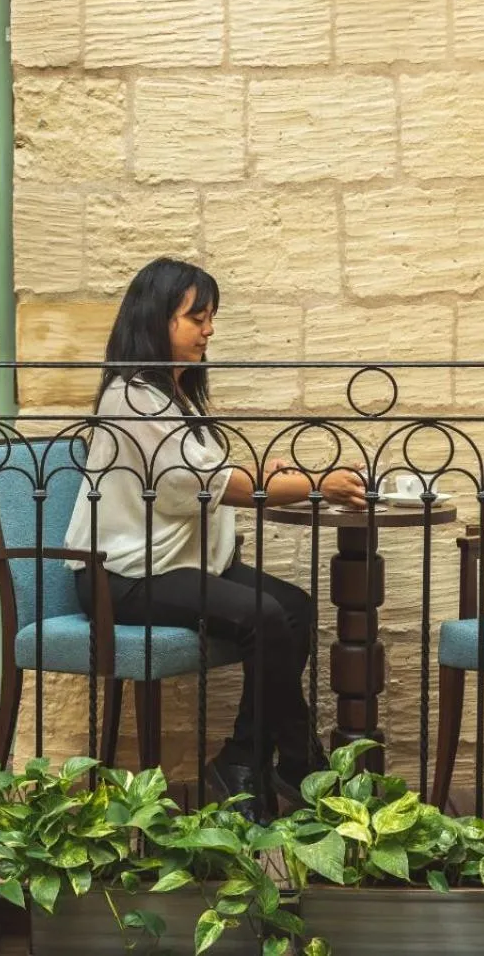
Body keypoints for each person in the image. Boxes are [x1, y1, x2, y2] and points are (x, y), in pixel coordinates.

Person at [63, 257, 367, 819]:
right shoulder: (130, 398)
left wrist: (272, 478)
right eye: (196, 317)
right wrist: (312, 483)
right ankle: (292, 757)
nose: (209, 330)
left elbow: (200, 474)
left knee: (294, 608)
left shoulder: (170, 398)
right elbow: (198, 485)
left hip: (175, 565)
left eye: (211, 317)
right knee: (264, 616)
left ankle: (246, 755)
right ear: (156, 320)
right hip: (124, 576)